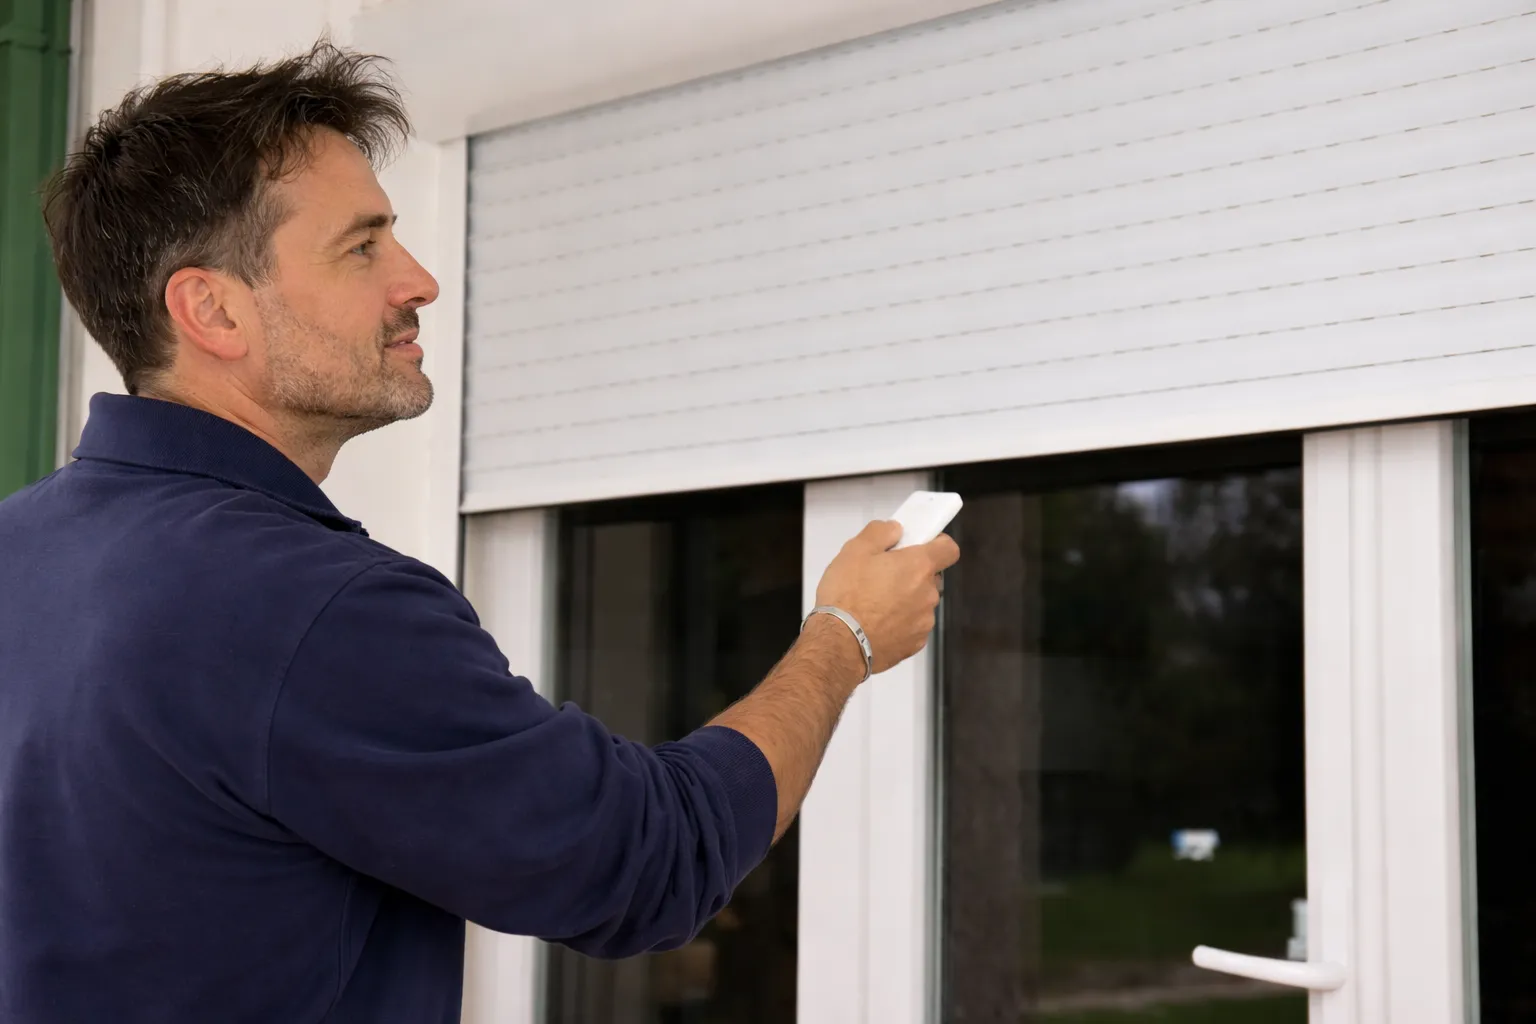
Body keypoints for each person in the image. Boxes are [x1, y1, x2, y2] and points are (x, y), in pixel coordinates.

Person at [0, 42, 960, 1024]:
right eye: (362, 247)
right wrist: (843, 636)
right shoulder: (304, 604)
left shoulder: (19, 552)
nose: (419, 281)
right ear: (212, 309)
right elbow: (650, 861)